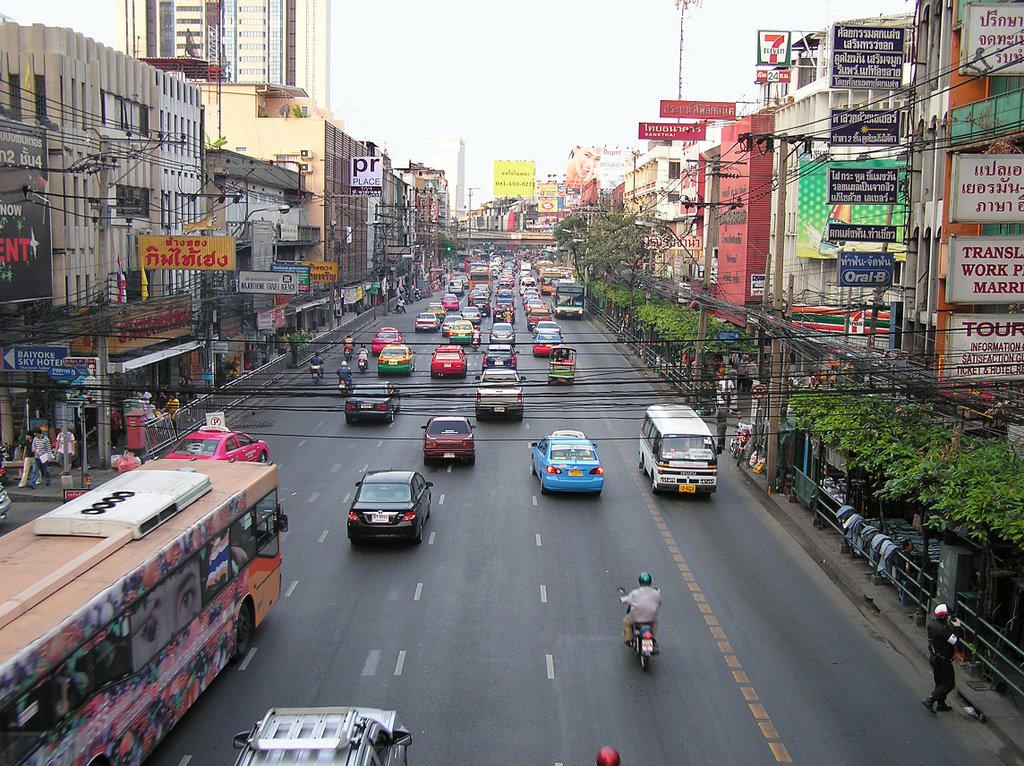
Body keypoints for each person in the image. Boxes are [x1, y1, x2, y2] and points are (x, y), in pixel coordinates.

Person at [923, 603, 960, 714]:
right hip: (943, 660)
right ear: (943, 616)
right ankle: (931, 699)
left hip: (934, 657)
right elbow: (954, 641)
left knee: (939, 681)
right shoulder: (942, 629)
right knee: (948, 683)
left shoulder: (932, 625)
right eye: (948, 615)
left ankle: (941, 703)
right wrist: (957, 627)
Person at [620, 571, 662, 644]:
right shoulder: (656, 593)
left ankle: (628, 639)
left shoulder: (635, 593)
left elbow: (627, 599)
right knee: (655, 623)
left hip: (636, 618)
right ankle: (652, 637)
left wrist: (622, 599)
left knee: (626, 622)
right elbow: (658, 603)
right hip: (651, 618)